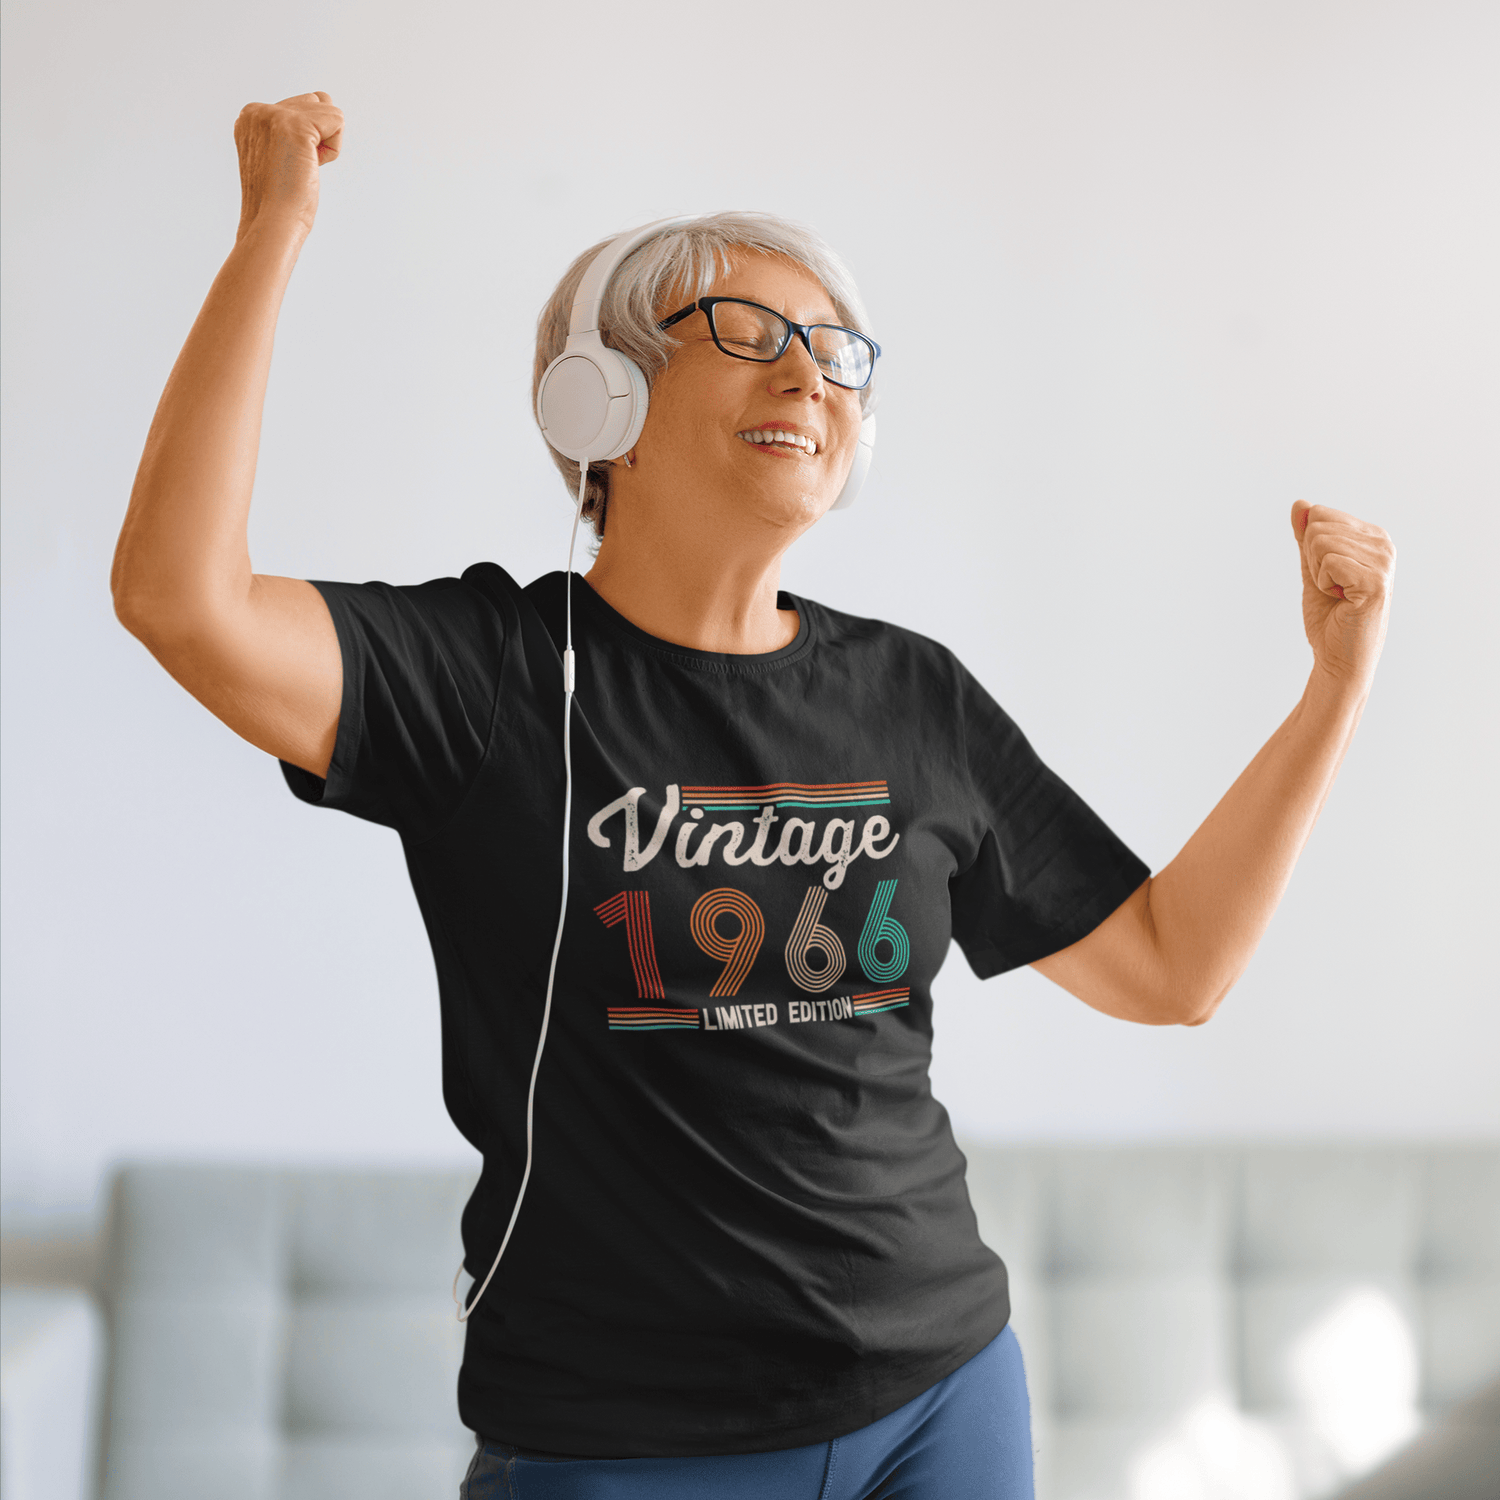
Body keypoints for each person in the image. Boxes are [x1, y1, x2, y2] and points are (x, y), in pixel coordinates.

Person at [111, 92, 1396, 1500]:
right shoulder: (486, 676)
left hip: (943, 1394)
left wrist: (1331, 689)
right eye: (748, 335)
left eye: (834, 353)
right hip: (621, 1441)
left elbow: (1171, 964)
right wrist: (275, 228)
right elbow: (182, 599)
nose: (809, 377)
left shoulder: (915, 698)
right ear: (600, 402)